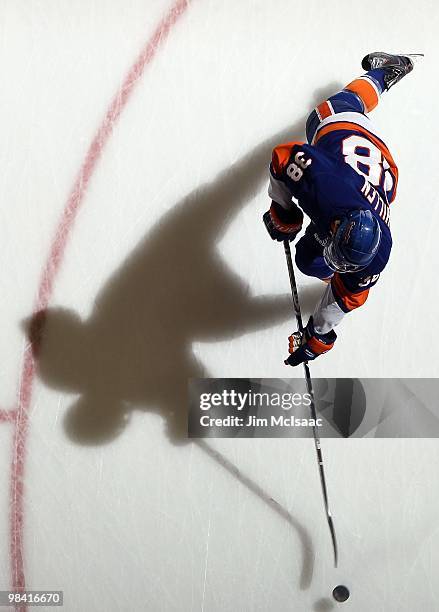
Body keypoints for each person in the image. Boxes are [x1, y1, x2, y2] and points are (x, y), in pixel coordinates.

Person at [263, 52, 422, 367]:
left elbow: (350, 296)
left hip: (382, 173)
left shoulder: (377, 254)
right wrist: (283, 210)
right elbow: (284, 157)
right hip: (347, 133)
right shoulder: (326, 184)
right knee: (322, 114)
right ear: (337, 226)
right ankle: (387, 71)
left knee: (309, 259)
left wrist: (320, 334)